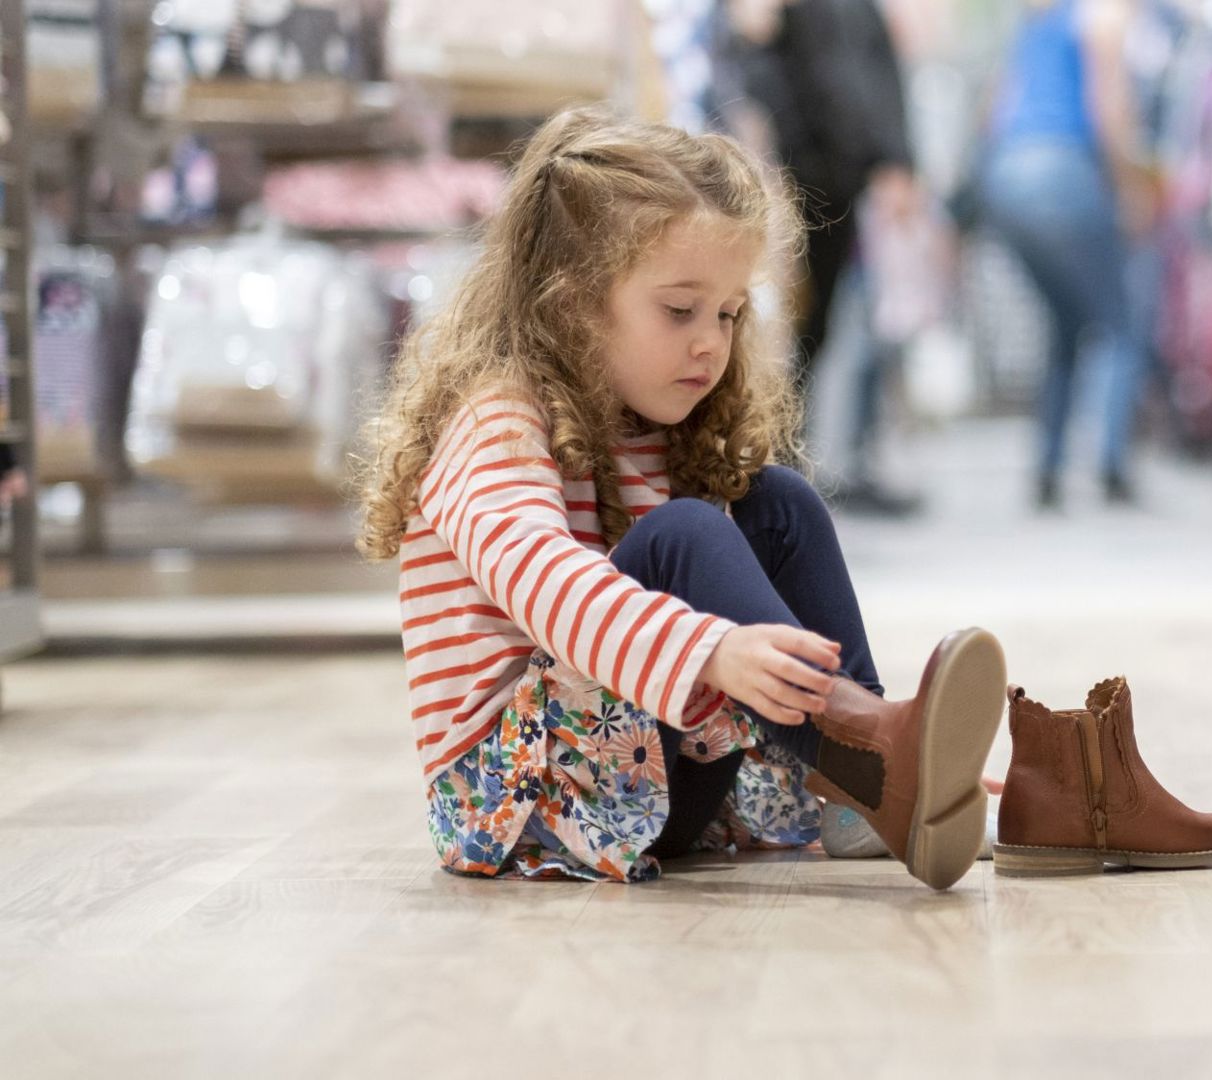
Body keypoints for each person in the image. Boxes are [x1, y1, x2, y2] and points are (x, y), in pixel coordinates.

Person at [355, 107, 1005, 891]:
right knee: (683, 536)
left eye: (730, 313)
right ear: (572, 300)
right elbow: (544, 579)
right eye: (679, 310)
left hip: (641, 776)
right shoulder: (496, 419)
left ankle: (866, 777)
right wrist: (710, 649)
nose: (712, 342)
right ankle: (870, 757)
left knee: (777, 504)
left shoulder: (656, 423)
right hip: (519, 800)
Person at [724, 0, 926, 517]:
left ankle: (792, 465)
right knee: (768, 327)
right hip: (784, 176)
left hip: (840, 182)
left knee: (819, 330)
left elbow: (880, 75)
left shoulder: (858, 10)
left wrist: (897, 159)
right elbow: (748, 63)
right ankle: (766, 465)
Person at [981, 0, 1155, 511]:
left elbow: (994, 111)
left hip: (1007, 178)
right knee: (1119, 326)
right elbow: (1110, 106)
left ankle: (1049, 468)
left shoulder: (1034, 23)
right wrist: (1131, 183)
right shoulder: (1101, 14)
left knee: (1065, 324)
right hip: (1064, 174)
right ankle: (1112, 464)